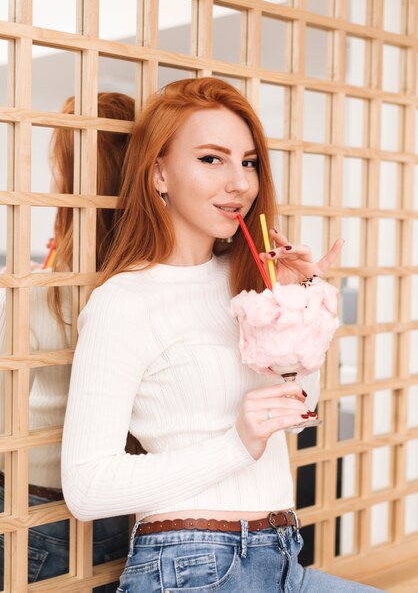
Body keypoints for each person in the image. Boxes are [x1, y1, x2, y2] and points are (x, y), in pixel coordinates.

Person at [61, 78, 385, 592]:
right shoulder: (125, 301)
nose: (240, 182)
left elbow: (298, 417)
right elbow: (87, 487)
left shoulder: (248, 283)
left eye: (249, 162)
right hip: (193, 565)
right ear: (160, 173)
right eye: (212, 159)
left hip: (283, 557)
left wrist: (301, 304)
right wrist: (236, 444)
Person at [0, 92, 135, 590]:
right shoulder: (147, 272)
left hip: (39, 494)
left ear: (74, 175)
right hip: (121, 500)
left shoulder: (51, 286)